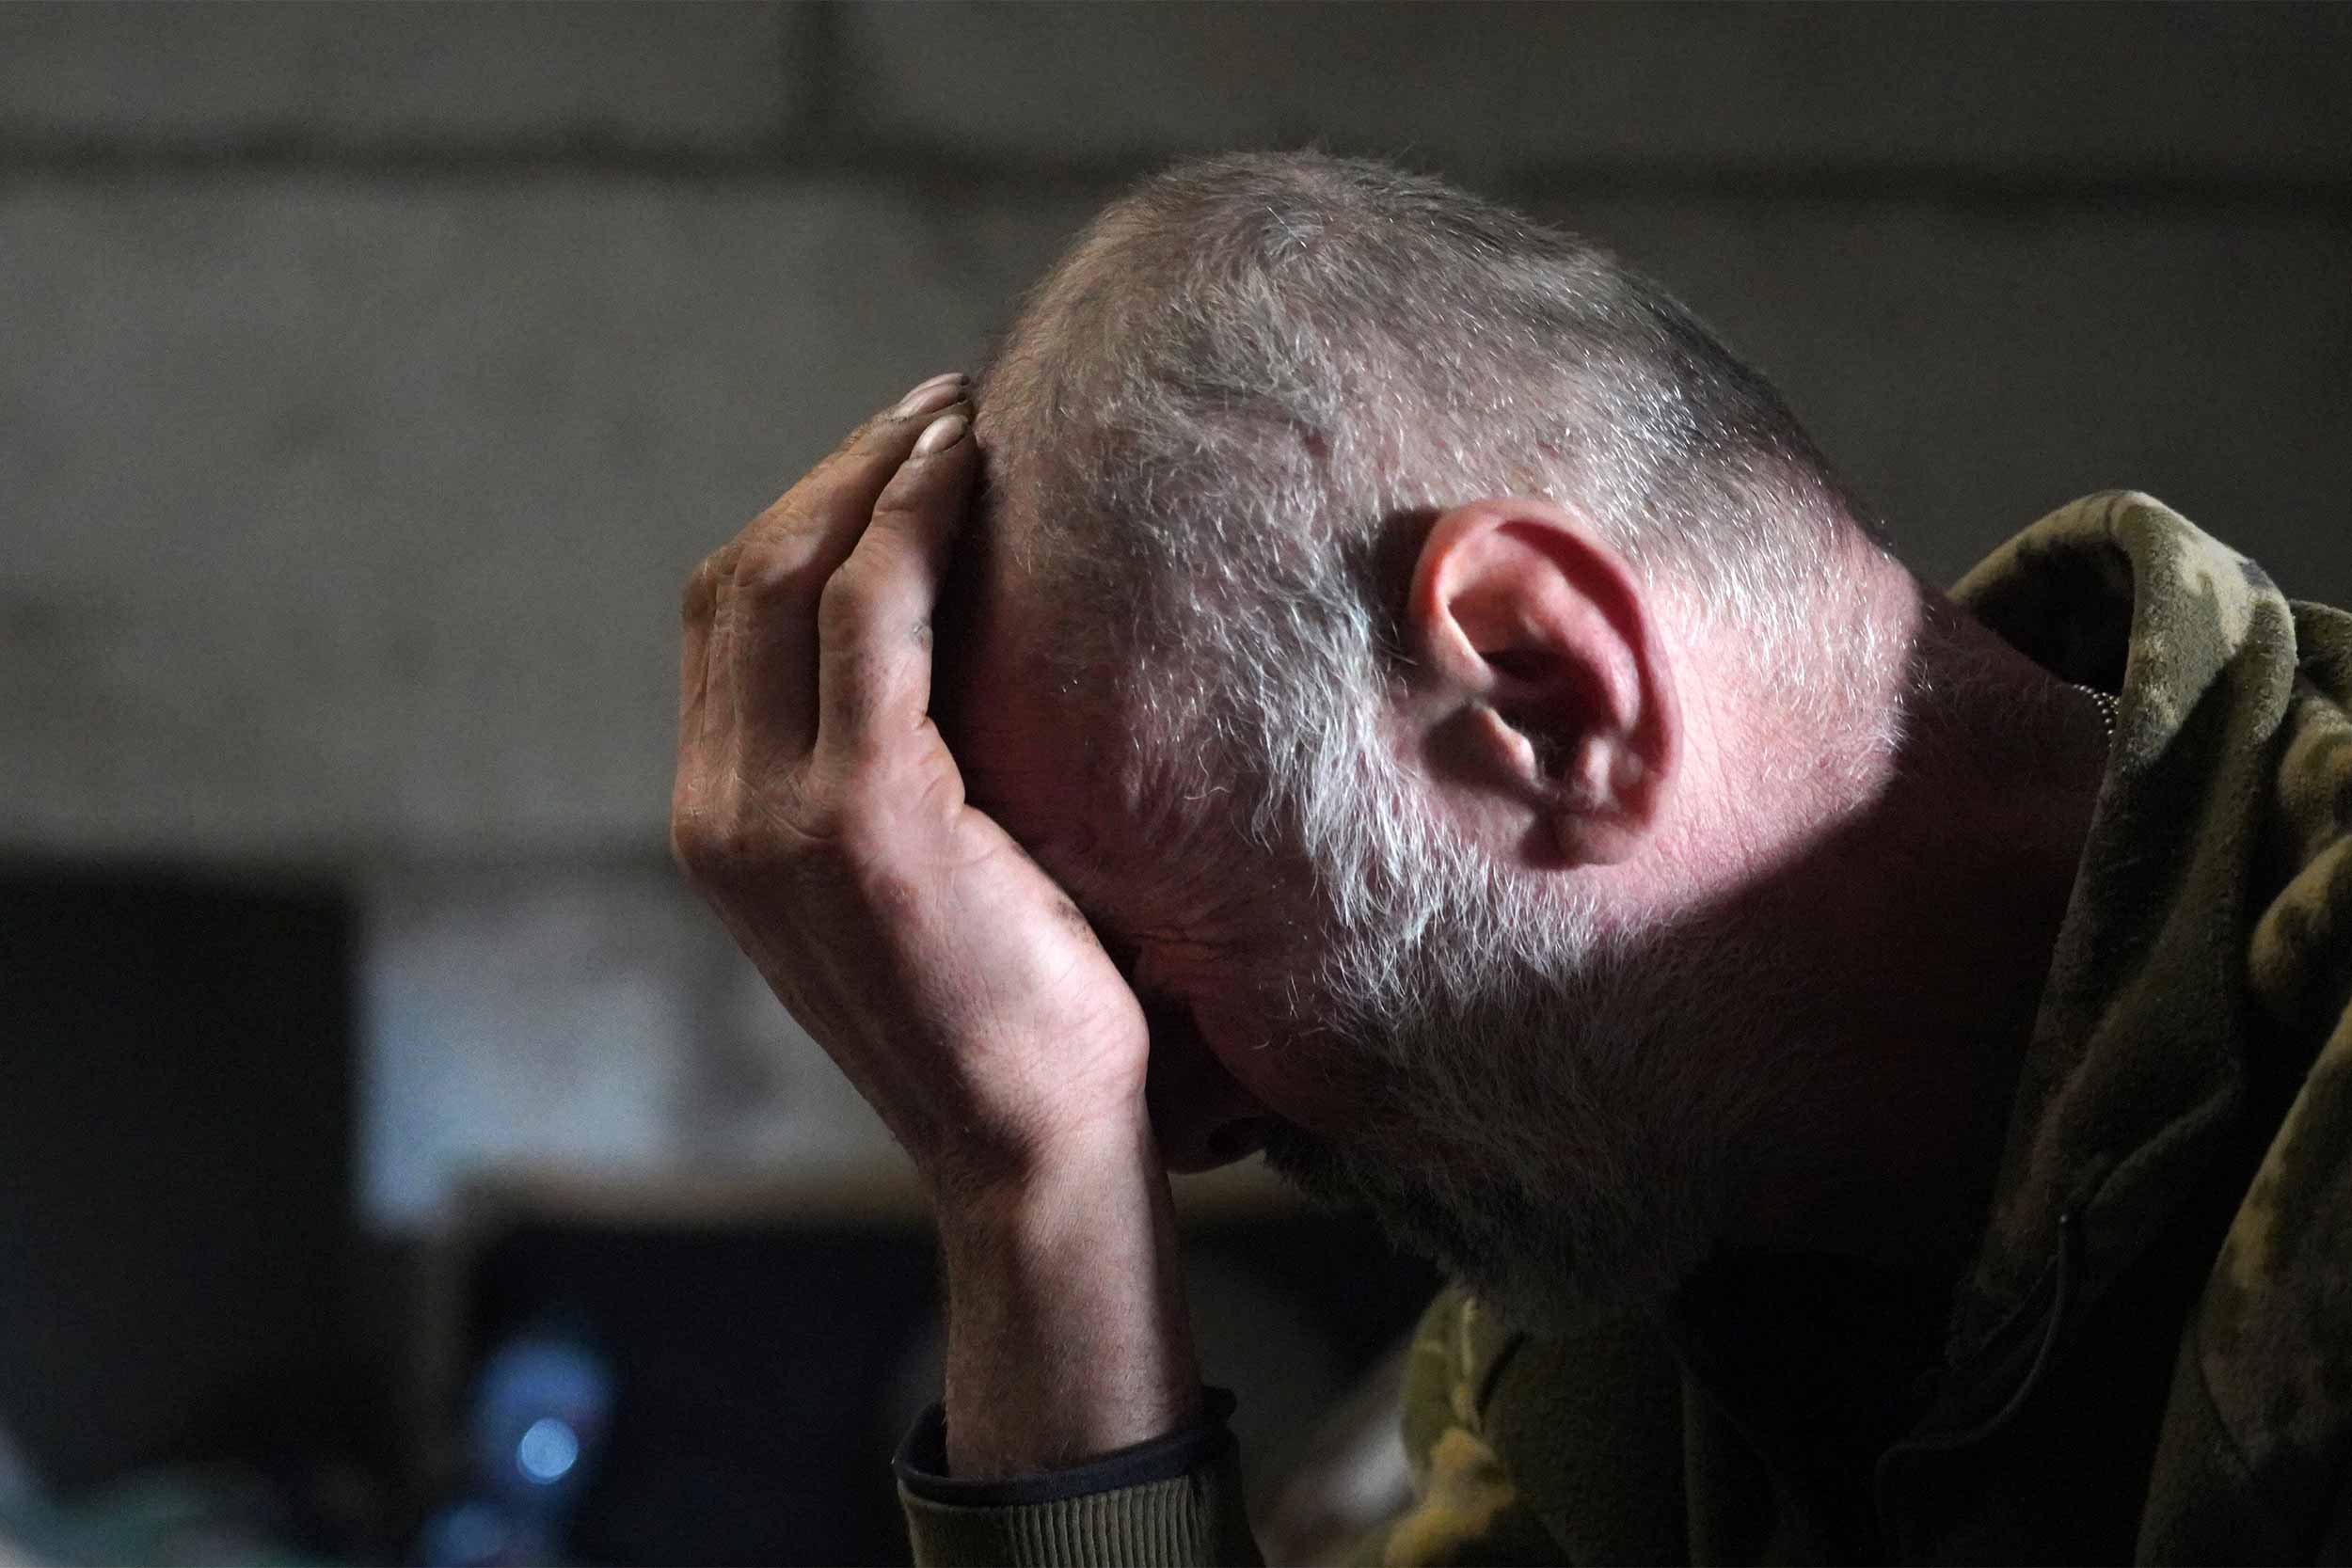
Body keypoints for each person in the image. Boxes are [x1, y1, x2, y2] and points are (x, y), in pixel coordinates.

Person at [670, 153, 2352, 1563]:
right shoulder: (1608, 1294)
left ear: (1544, 694)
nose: (1166, 1128)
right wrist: (1028, 1189)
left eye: (1128, 956)